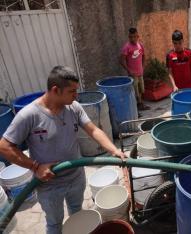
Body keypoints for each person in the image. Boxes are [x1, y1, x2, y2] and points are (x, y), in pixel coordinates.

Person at [0, 66, 125, 234]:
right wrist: (35, 167)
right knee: (54, 224)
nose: (76, 95)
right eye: (72, 91)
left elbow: (93, 130)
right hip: (49, 185)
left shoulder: (74, 108)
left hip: (75, 177)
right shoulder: (29, 115)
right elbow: (5, 146)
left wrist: (113, 150)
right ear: (55, 90)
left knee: (77, 215)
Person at [120, 27, 150, 111]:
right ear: (128, 37)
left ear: (138, 36)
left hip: (140, 73)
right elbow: (121, 60)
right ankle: (136, 109)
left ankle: (141, 104)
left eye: (134, 36)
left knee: (141, 89)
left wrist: (143, 67)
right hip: (133, 74)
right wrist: (129, 70)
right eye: (130, 37)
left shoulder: (140, 45)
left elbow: (144, 56)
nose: (132, 38)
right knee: (134, 91)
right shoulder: (126, 47)